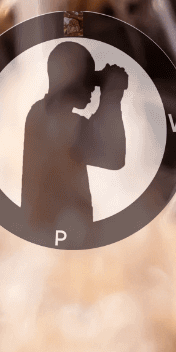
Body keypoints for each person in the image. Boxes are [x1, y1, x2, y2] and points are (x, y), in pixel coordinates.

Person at [18, 40, 128, 245]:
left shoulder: (38, 114)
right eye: (88, 82)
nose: (91, 91)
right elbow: (114, 158)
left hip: (44, 231)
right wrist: (112, 96)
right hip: (64, 233)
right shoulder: (64, 123)